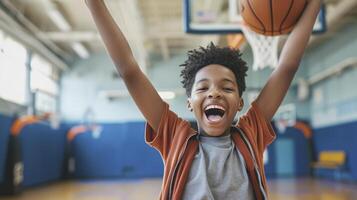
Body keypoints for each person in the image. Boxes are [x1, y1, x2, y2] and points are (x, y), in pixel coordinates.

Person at [85, 0, 322, 199]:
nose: (214, 93)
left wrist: (314, 3)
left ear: (240, 102)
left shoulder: (251, 134)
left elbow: (287, 67)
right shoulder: (174, 136)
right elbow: (130, 71)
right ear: (189, 102)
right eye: (203, 87)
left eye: (227, 88)